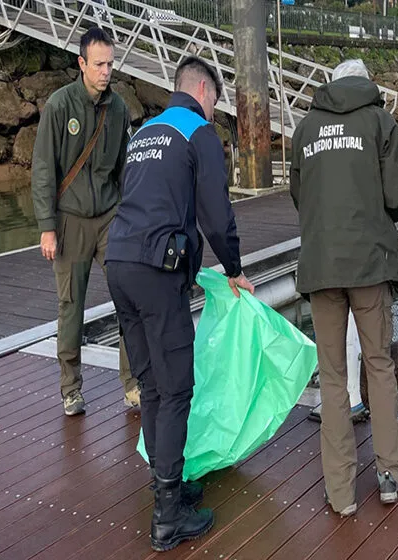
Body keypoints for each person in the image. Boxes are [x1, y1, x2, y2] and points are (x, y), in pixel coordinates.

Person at [105, 55, 254, 552]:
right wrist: (234, 270)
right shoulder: (199, 133)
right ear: (205, 93)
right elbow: (217, 214)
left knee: (149, 385)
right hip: (155, 272)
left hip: (119, 264)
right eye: (216, 101)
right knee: (175, 389)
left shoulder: (145, 132)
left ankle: (166, 484)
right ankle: (168, 516)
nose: (215, 111)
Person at [290, 59, 398, 516]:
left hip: (320, 266)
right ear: (367, 83)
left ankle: (340, 493)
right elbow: (396, 198)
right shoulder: (381, 121)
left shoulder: (305, 130)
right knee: (379, 364)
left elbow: (300, 197)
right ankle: (389, 475)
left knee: (333, 375)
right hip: (370, 264)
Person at [31, 26, 140, 416]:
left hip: (110, 216)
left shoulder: (120, 108)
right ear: (81, 64)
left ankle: (132, 383)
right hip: (70, 220)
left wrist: (132, 215)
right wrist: (47, 226)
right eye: (98, 64)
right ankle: (71, 387)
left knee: (129, 295)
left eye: (110, 63)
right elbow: (43, 168)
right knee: (71, 307)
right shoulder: (61, 106)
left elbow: (126, 169)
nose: (106, 71)